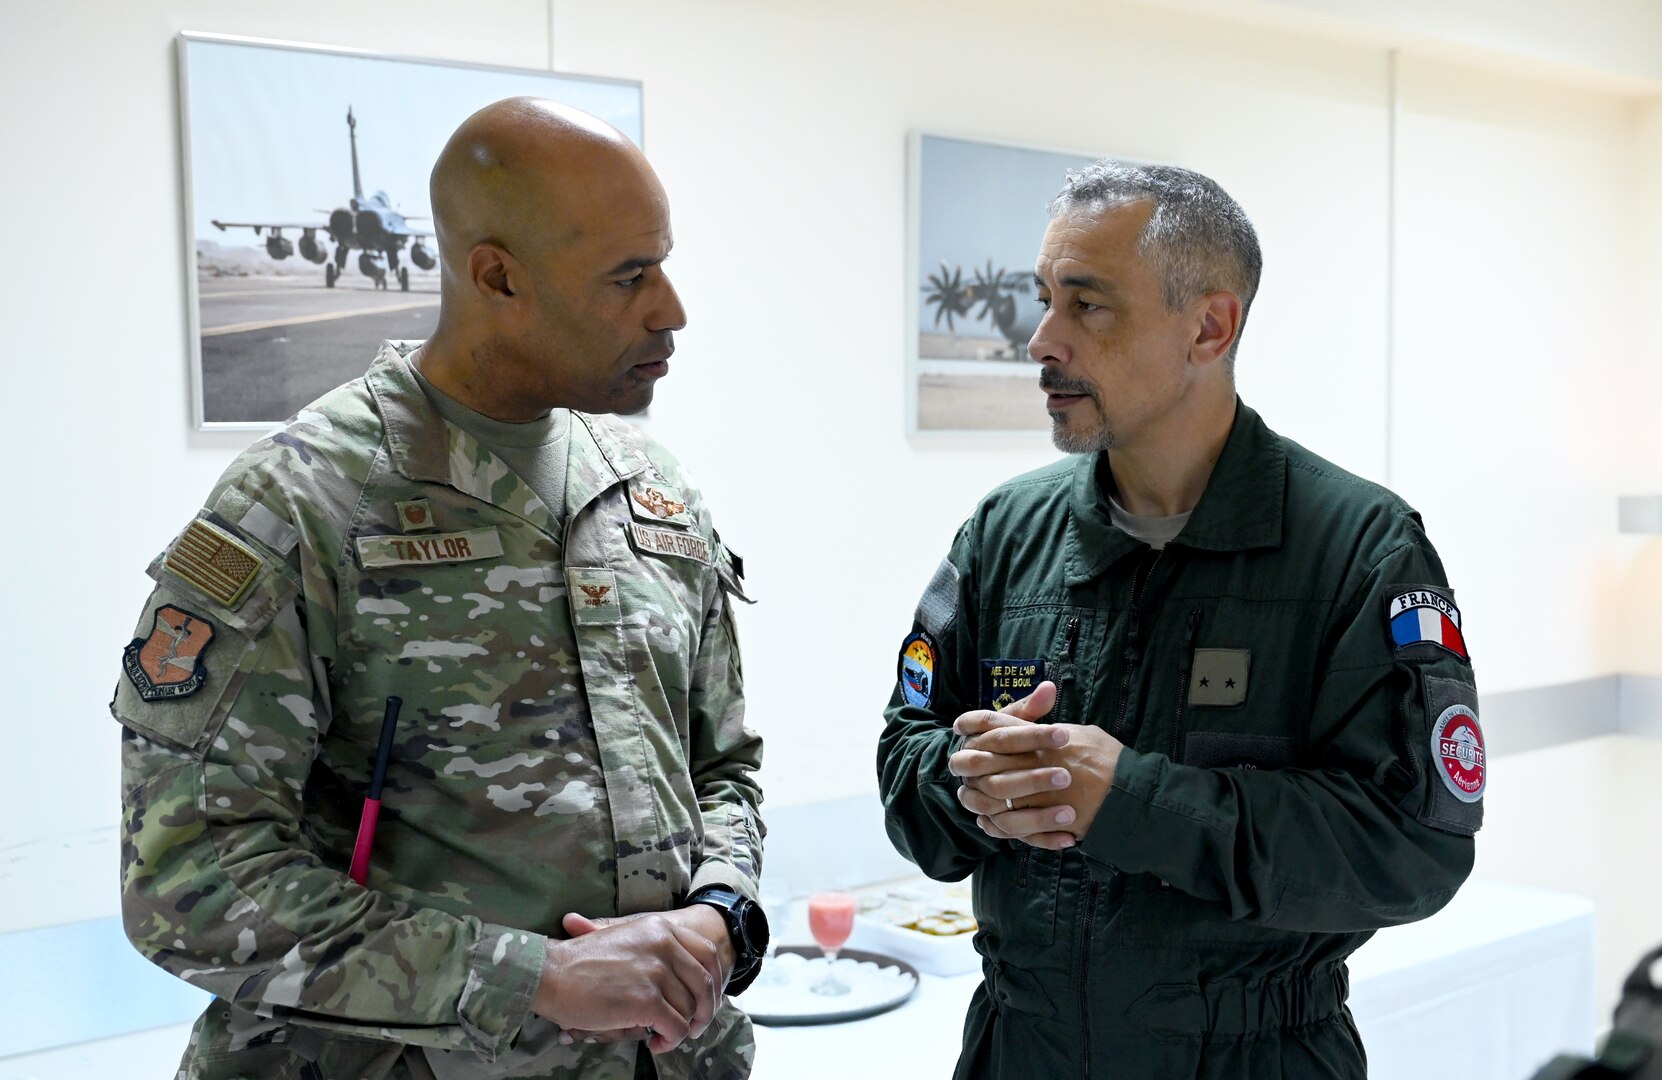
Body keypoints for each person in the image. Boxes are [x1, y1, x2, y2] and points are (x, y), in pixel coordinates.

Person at [114, 98, 767, 1080]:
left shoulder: (652, 491)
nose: (670, 308)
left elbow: (724, 768)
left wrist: (722, 917)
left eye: (663, 262)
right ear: (498, 277)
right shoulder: (304, 505)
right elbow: (188, 881)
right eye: (629, 276)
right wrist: (524, 977)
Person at [877, 161, 1483, 1078]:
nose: (1040, 340)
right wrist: (970, 784)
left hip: (1256, 1055)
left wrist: (1137, 802)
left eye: (1088, 306)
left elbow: (1415, 849)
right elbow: (905, 756)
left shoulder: (1359, 548)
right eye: (1043, 300)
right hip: (1018, 1049)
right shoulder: (1005, 533)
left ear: (1209, 327)